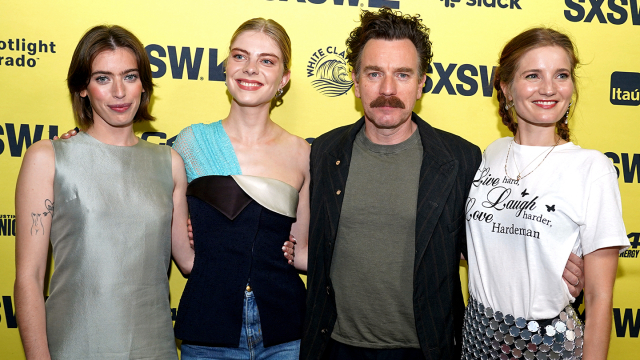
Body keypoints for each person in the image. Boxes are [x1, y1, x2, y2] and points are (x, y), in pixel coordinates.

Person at [300, 9, 586, 360]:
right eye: (374, 73)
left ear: (421, 83)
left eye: (403, 74)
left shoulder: (460, 159)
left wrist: (555, 266)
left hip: (428, 349)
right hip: (333, 347)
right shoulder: (325, 152)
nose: (387, 89)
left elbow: (491, 242)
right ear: (356, 82)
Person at [14, 25, 194, 360]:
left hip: (154, 348)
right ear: (82, 88)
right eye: (102, 78)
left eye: (129, 76)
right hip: (73, 346)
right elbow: (29, 277)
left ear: (143, 85)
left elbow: (188, 260)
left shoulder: (168, 163)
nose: (119, 92)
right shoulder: (48, 158)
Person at [463, 28, 630, 360]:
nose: (549, 88)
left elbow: (599, 298)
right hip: (477, 342)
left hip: (548, 348)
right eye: (532, 75)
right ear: (506, 87)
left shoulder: (592, 169)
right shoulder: (492, 153)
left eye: (561, 75)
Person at [170, 18, 310, 360]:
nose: (250, 69)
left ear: (284, 79)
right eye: (239, 56)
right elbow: (186, 262)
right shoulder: (190, 143)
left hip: (288, 334)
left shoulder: (302, 153)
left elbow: (301, 251)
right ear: (226, 67)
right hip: (208, 331)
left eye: (267, 60)